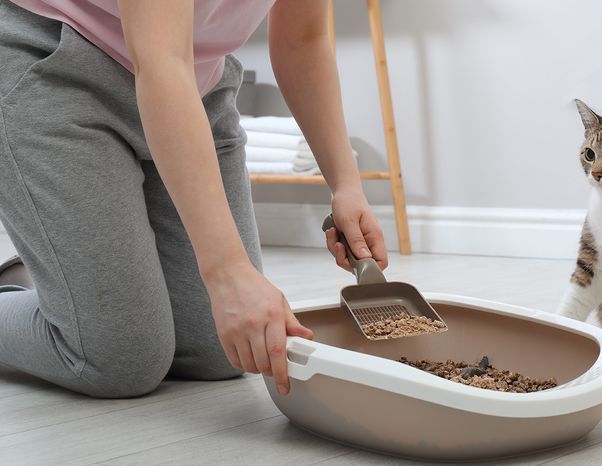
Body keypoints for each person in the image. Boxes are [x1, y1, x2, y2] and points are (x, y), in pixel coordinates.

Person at [0, 0, 388, 398]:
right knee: (121, 359)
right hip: (53, 65)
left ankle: (65, 282)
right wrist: (228, 272)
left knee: (224, 352)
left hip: (196, 84)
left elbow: (302, 39)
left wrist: (345, 185)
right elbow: (161, 61)